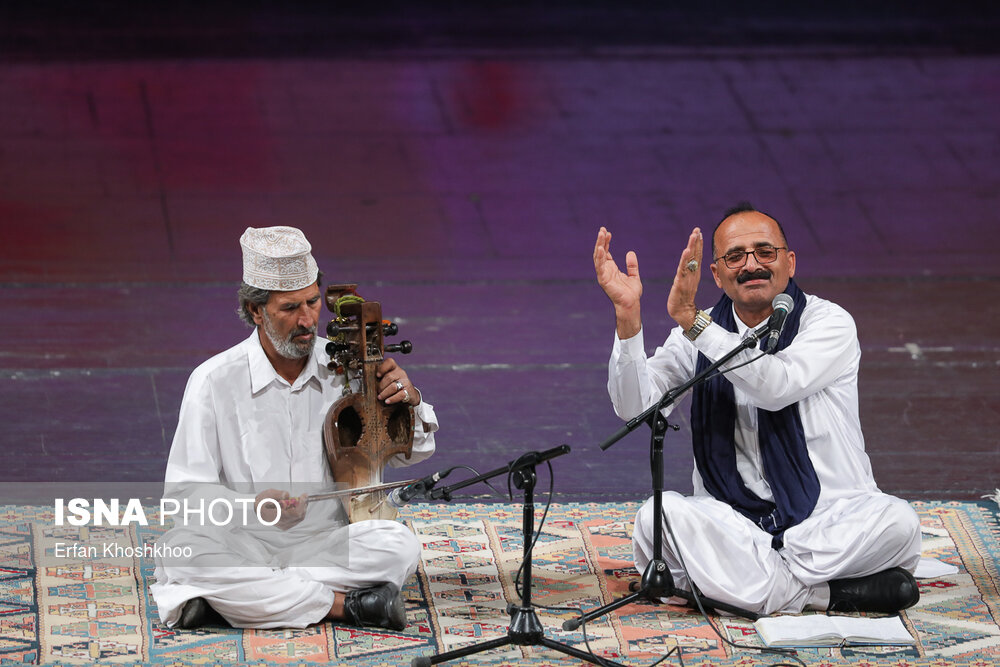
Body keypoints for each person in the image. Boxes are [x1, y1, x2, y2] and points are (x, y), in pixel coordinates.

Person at [593, 203, 920, 616]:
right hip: (736, 527)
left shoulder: (828, 323)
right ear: (716, 273)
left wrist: (697, 326)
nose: (752, 265)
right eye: (735, 256)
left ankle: (747, 585)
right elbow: (635, 408)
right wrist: (627, 317)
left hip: (826, 521)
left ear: (789, 262)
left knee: (898, 522)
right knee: (655, 520)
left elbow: (777, 386)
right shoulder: (698, 331)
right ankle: (825, 595)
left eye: (765, 252)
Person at [150, 226, 438, 631]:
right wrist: (253, 506)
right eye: (289, 309)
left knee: (398, 546)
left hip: (325, 542)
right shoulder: (212, 381)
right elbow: (184, 497)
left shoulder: (350, 370)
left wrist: (408, 402)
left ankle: (236, 603)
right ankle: (346, 606)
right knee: (184, 550)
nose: (307, 321)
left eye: (312, 302)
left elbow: (416, 452)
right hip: (242, 541)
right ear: (256, 310)